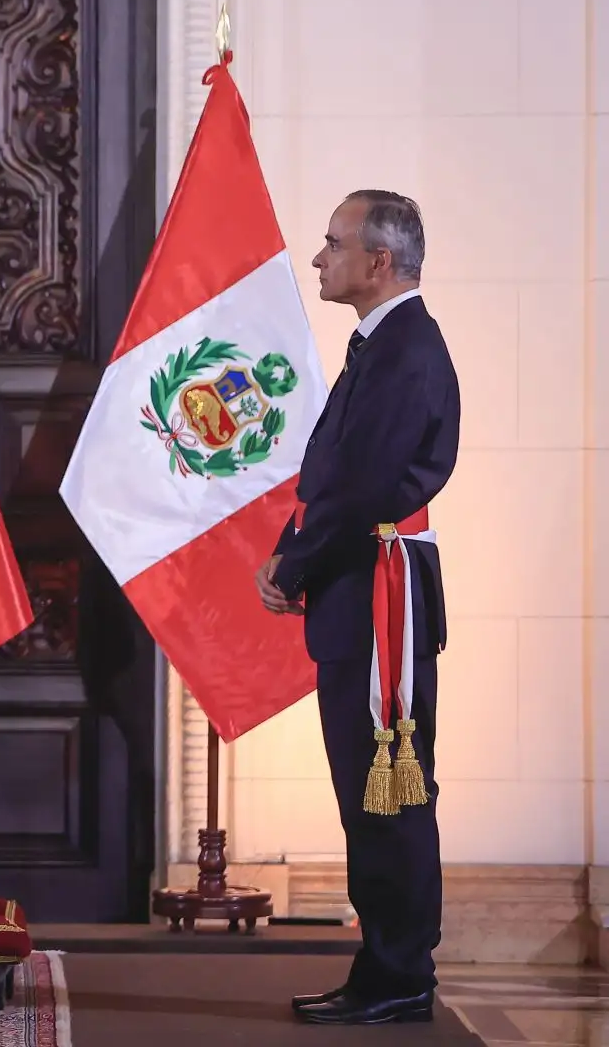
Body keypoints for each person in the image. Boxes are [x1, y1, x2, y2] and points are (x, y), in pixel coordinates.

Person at [256, 192, 459, 1026]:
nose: (318, 258)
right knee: (367, 789)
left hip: (380, 592)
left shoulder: (405, 347)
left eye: (333, 244)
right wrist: (293, 545)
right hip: (361, 579)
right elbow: (336, 473)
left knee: (390, 792)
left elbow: (366, 484)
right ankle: (385, 964)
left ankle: (400, 972)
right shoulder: (384, 343)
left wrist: (296, 562)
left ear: (379, 261)